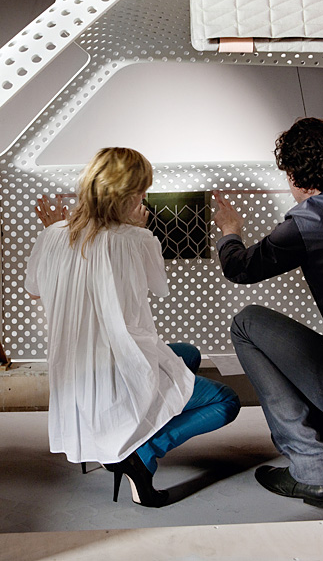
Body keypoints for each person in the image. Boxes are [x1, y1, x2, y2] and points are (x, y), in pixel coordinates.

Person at [26, 147, 240, 508]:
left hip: (75, 374)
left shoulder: (52, 235)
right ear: (127, 196)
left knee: (187, 355)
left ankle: (122, 438)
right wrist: (140, 232)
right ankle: (140, 454)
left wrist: (56, 233)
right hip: (117, 372)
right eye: (141, 192)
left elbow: (35, 290)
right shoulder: (136, 238)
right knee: (226, 401)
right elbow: (158, 286)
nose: (144, 199)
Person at [213, 117, 323, 509]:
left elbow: (240, 268)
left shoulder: (308, 221)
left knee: (247, 324)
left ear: (293, 174)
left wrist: (229, 230)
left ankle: (312, 470)